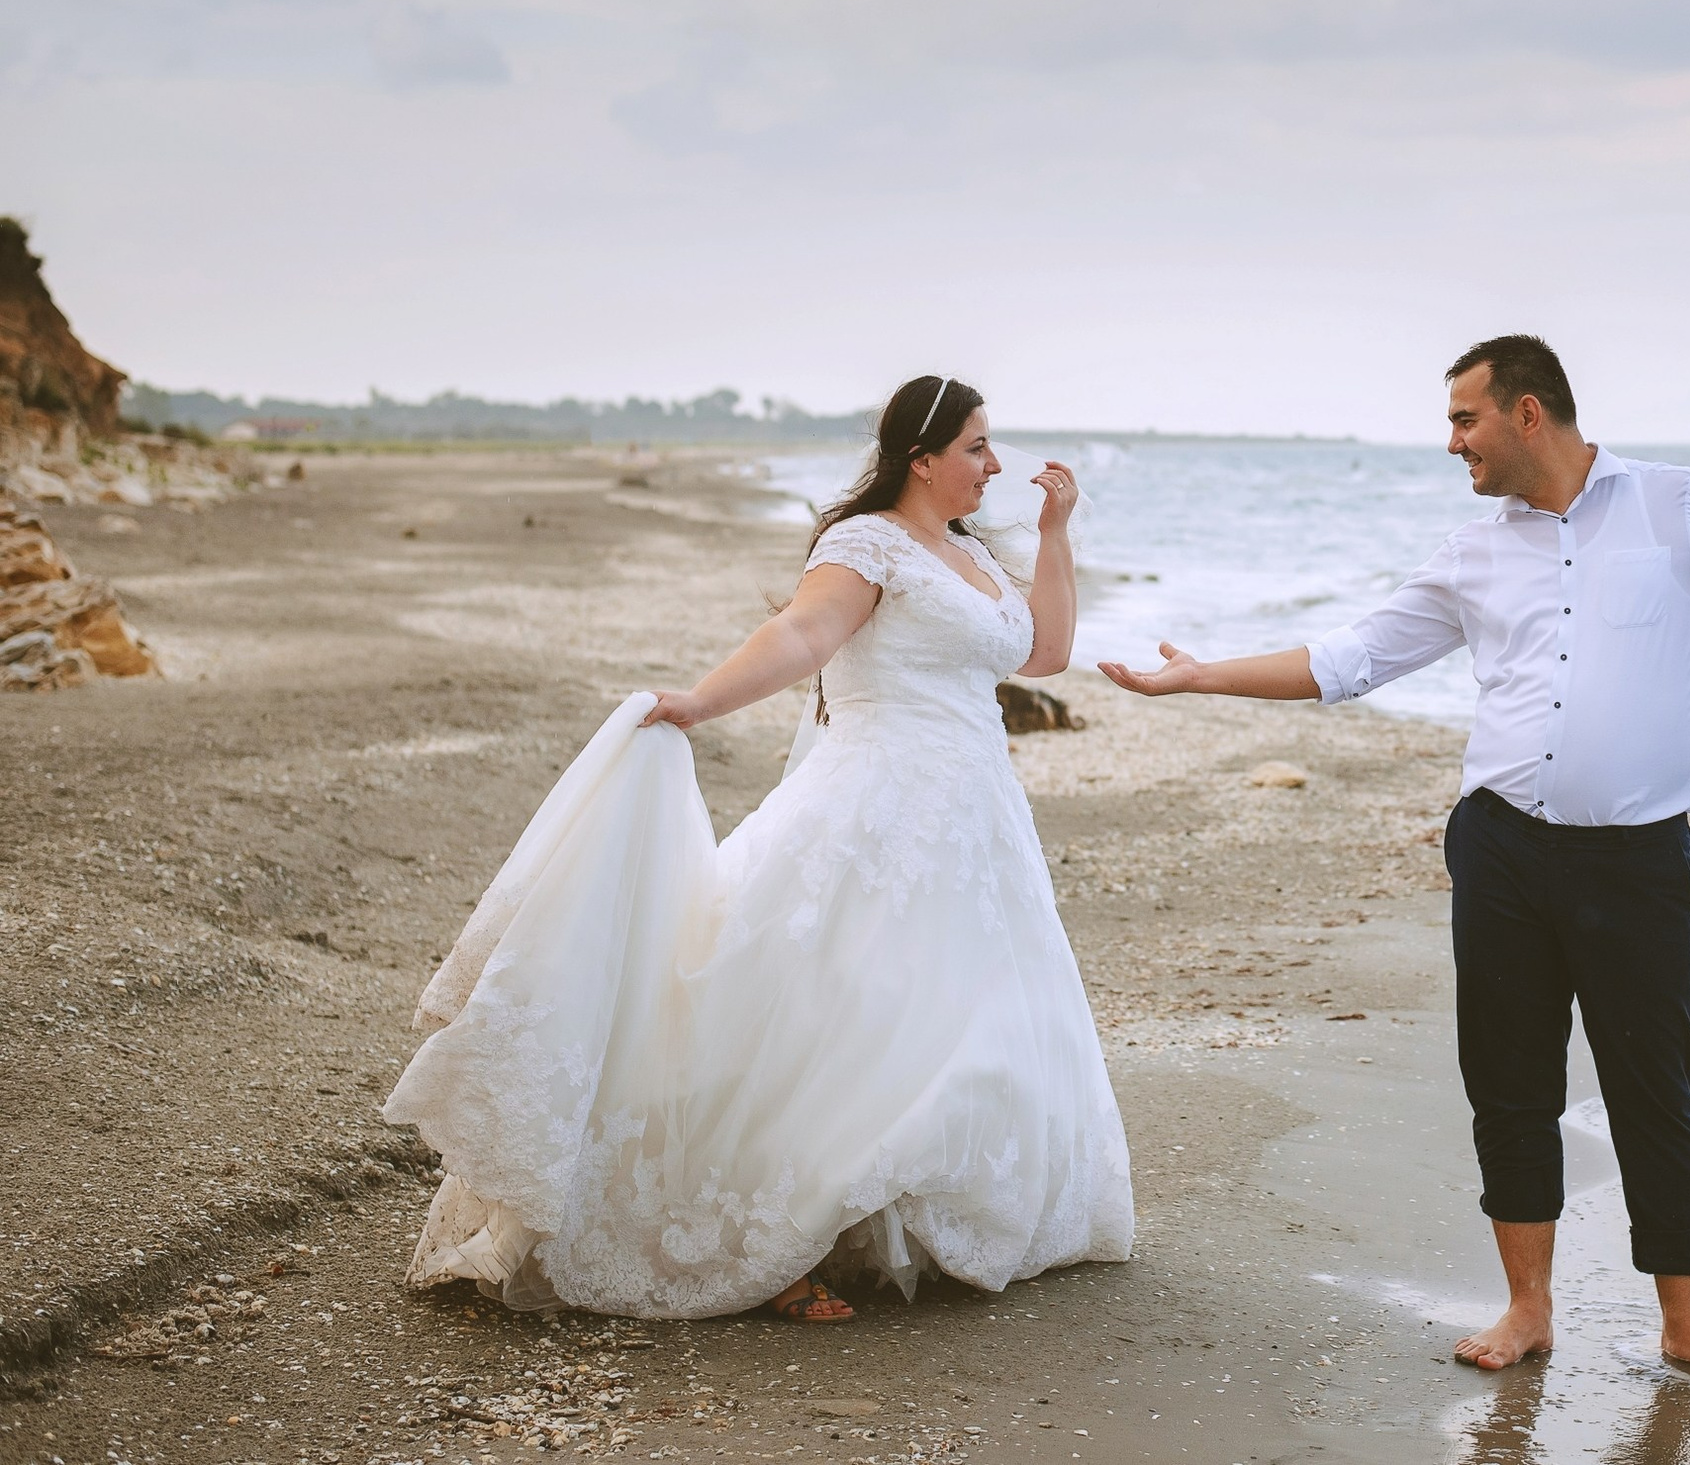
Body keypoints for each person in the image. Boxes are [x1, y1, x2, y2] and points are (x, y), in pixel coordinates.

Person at [1100, 336, 1690, 1385]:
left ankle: (1686, 1322)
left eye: (1464, 419)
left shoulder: (1675, 502)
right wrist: (1202, 676)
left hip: (1637, 861)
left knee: (1653, 1085)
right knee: (1509, 1082)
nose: (1452, 442)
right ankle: (1528, 1307)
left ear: (1528, 413)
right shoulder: (1472, 552)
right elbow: (1349, 659)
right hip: (1503, 847)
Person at [384, 376, 1134, 1321]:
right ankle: (769, 1233)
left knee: (959, 1014)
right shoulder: (866, 544)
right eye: (977, 446)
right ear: (923, 459)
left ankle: (903, 1208)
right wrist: (702, 701)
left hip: (977, 818)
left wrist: (1057, 533)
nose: (994, 464)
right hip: (876, 803)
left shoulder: (971, 554)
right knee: (829, 1005)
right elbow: (803, 632)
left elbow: (1043, 653)